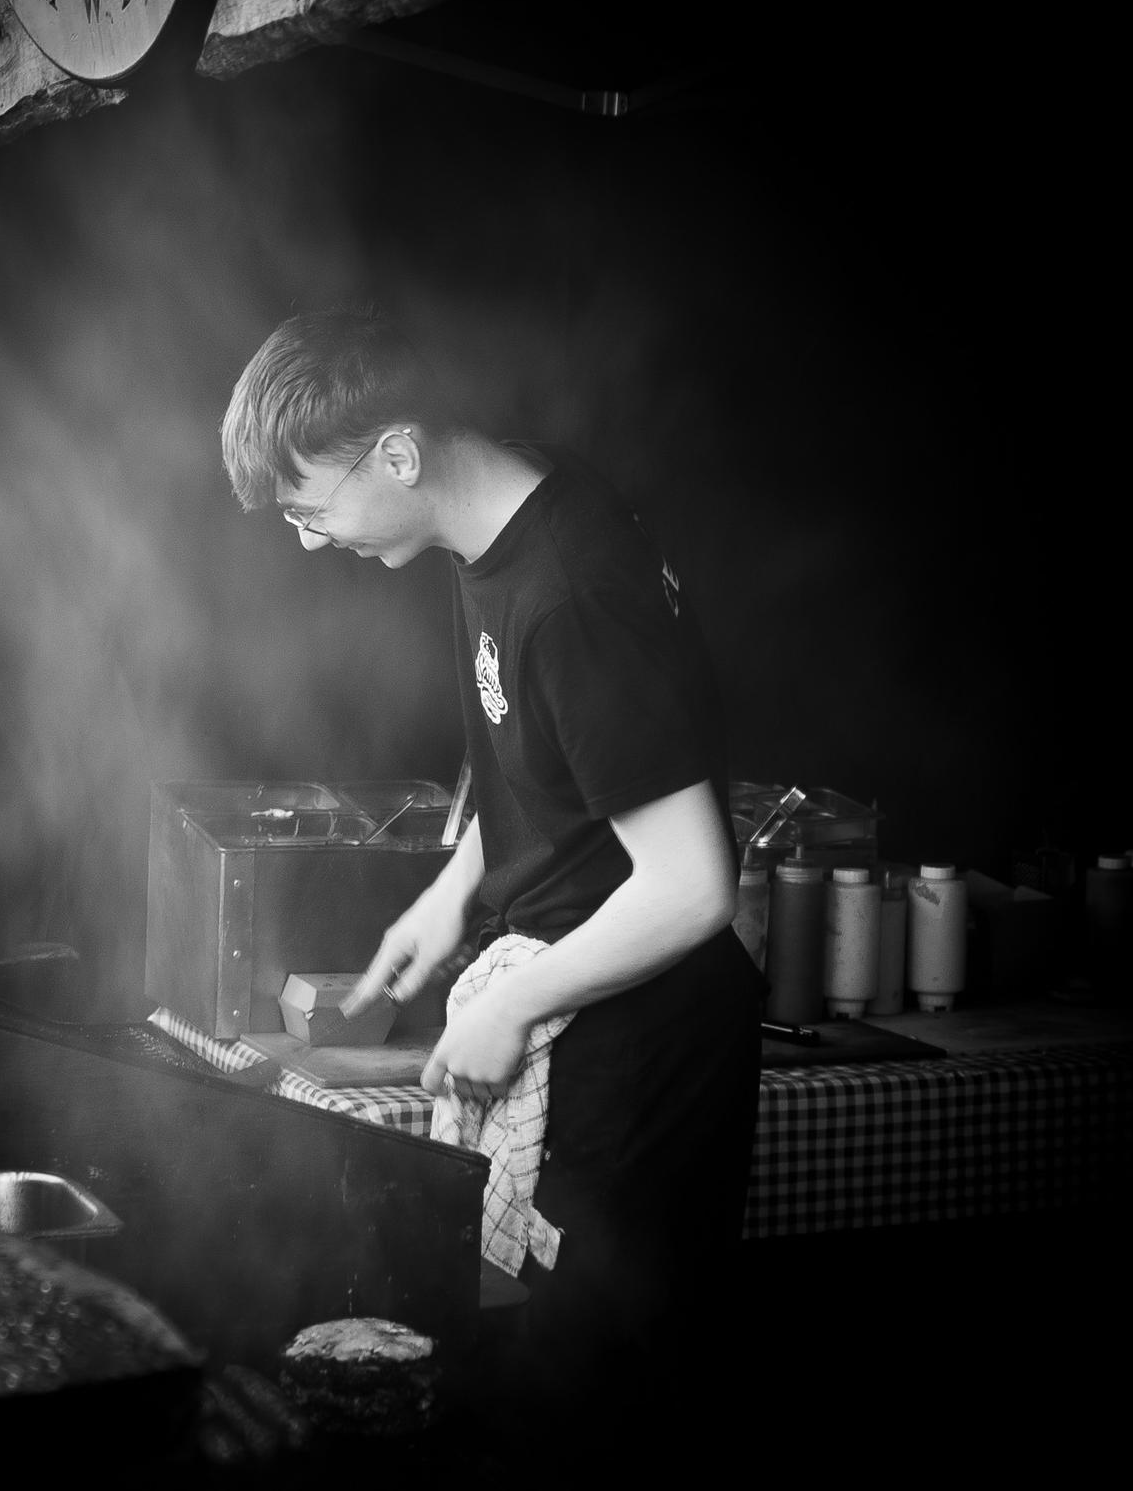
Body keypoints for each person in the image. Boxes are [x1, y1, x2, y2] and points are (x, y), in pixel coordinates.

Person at [219, 305, 762, 1428]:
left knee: (592, 1402)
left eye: (309, 508)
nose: (309, 542)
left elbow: (693, 888)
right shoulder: (492, 534)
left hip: (641, 1053)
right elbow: (553, 769)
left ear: (398, 454)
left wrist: (509, 1005)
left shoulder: (570, 592)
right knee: (520, 1372)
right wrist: (450, 892)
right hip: (590, 1011)